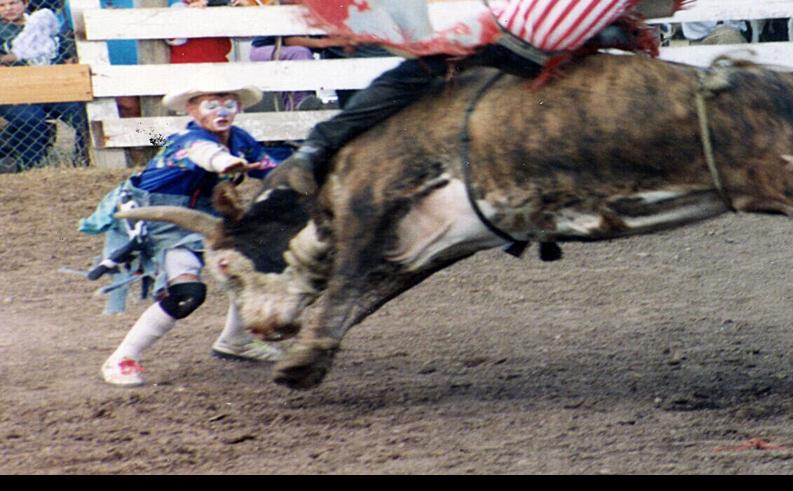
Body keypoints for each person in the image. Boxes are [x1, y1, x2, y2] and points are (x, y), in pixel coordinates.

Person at [268, 0, 680, 193]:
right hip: (522, 39)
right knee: (420, 75)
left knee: (414, 76)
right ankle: (319, 147)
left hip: (525, 40)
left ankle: (317, 147)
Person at [87, 83, 282, 386]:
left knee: (255, 268)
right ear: (191, 109)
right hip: (164, 219)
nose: (221, 111)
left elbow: (270, 167)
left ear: (238, 108)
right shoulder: (191, 140)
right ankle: (121, 358)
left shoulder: (239, 140)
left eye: (228, 103)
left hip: (206, 216)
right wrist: (229, 164)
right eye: (211, 104)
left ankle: (236, 340)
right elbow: (207, 155)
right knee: (186, 295)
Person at [1, 0, 88, 169]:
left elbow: (66, 53)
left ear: (25, 4)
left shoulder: (45, 23)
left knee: (81, 113)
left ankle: (83, 158)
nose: (8, 9)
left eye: (13, 3)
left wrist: (69, 62)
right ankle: (28, 164)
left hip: (52, 87)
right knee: (30, 118)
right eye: (2, 5)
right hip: (15, 92)